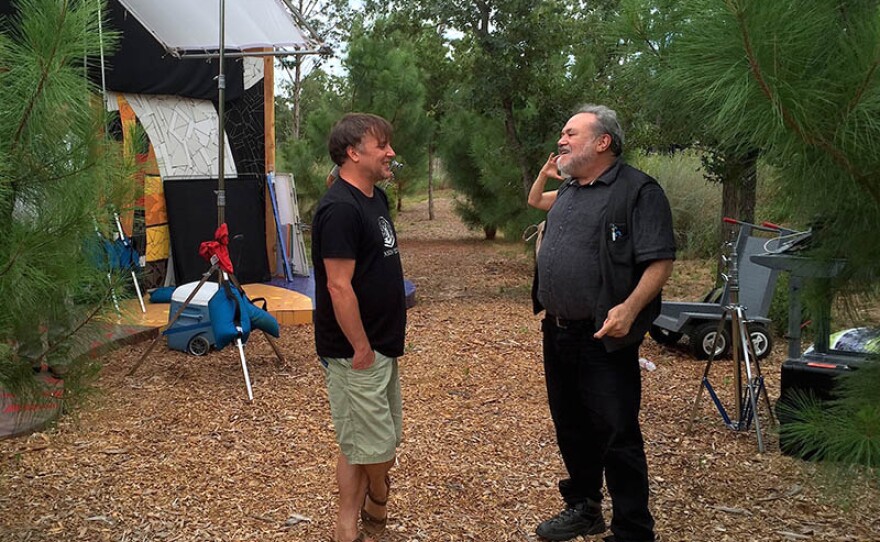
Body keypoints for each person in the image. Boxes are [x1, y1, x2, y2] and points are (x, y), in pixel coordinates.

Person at [527, 104, 676, 542]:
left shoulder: (638, 191)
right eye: (562, 133)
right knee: (570, 424)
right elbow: (538, 203)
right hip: (557, 331)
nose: (562, 140)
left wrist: (629, 309)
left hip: (603, 336)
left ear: (602, 141)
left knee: (616, 432)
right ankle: (584, 507)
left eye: (571, 133)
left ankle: (632, 529)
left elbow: (660, 261)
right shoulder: (572, 189)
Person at [312, 113, 407, 542]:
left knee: (367, 440)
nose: (390, 152)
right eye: (381, 146)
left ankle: (363, 507)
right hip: (356, 351)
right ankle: (360, 513)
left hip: (383, 343)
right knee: (372, 444)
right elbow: (338, 286)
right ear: (353, 153)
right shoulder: (338, 211)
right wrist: (360, 347)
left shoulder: (375, 199)